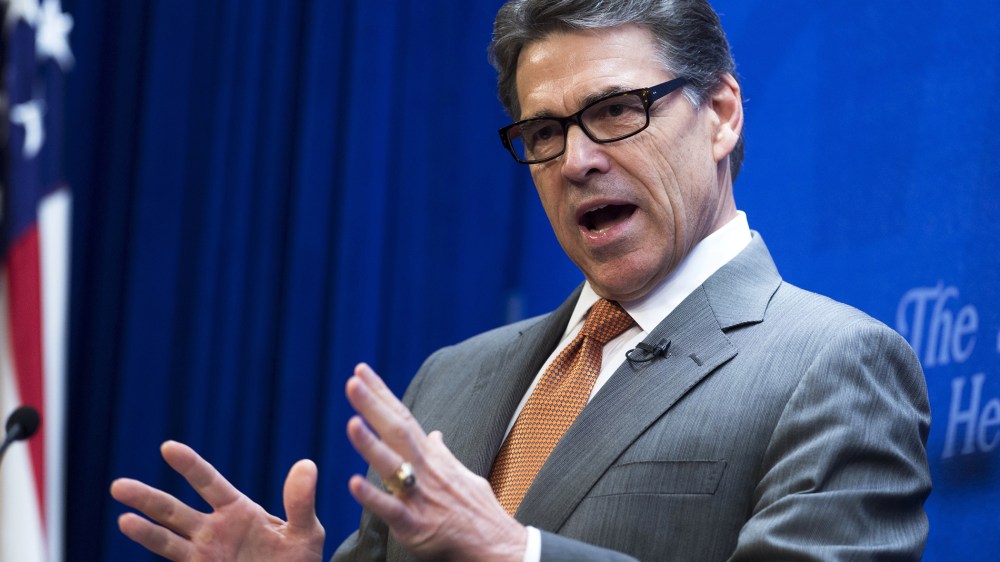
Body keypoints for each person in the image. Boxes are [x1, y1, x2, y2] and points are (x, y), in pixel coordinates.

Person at [110, 0, 932, 560]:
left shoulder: (833, 364)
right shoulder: (452, 377)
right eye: (545, 130)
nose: (577, 160)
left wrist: (516, 551)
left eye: (616, 110)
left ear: (720, 115)